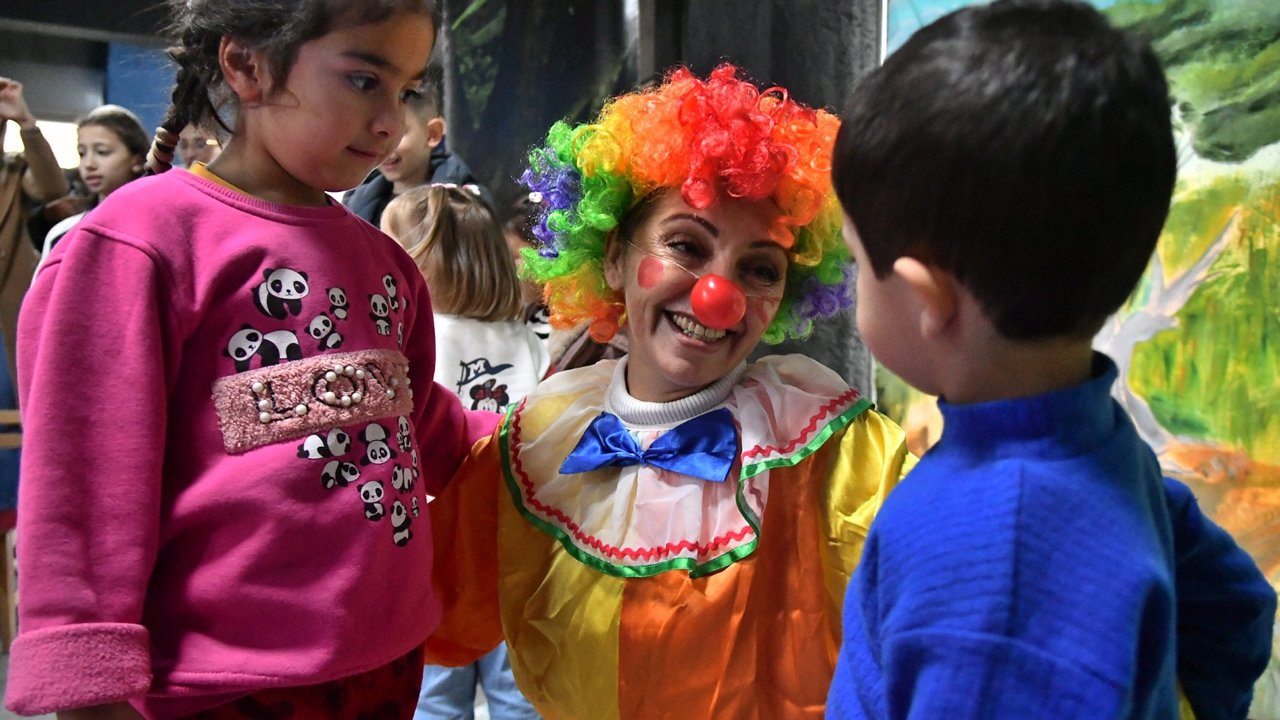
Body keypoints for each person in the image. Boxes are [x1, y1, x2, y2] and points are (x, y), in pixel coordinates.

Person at [4, 0, 498, 717]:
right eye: (365, 80)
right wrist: (88, 684)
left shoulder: (387, 264)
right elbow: (81, 483)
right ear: (247, 66)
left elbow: (421, 421)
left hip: (387, 668)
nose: (392, 119)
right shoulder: (141, 241)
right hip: (224, 686)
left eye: (408, 89)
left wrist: (544, 436)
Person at [826, 1, 1276, 717]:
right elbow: (1235, 607)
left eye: (856, 263)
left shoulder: (996, 566)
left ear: (925, 297)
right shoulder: (1097, 441)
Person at [423, 64, 914, 719]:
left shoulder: (827, 451)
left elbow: (946, 609)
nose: (719, 297)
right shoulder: (536, 440)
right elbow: (428, 614)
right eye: (686, 245)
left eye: (758, 269)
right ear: (615, 256)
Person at [382, 183, 544, 719]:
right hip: (513, 547)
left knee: (435, 698)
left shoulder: (413, 339)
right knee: (518, 691)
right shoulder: (526, 339)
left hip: (433, 550)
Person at [344, 65, 487, 226]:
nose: (384, 145)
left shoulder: (463, 206)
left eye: (399, 133)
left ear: (433, 133)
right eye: (377, 132)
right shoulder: (355, 205)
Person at [40, 104, 149, 257]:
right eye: (81, 153)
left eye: (102, 152)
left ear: (137, 161)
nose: (89, 164)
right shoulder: (63, 233)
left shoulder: (153, 228)